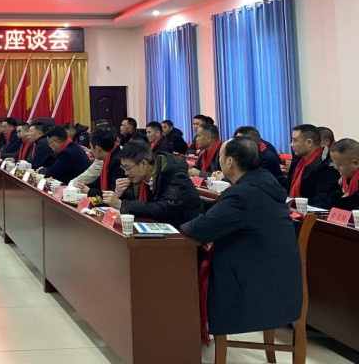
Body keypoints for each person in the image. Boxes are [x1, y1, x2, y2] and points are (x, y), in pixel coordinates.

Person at [181, 138, 302, 339]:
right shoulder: (262, 182)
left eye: (220, 156)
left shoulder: (243, 194)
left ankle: (181, 335)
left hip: (258, 281)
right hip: (277, 275)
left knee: (182, 267)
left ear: (230, 162)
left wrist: (180, 225)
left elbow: (201, 228)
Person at [103, 140, 203, 227]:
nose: (126, 173)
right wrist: (119, 194)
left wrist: (121, 204)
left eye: (127, 168)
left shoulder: (176, 177)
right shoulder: (140, 177)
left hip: (185, 232)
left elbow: (163, 209)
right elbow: (135, 204)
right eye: (123, 168)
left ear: (144, 164)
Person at [285, 124, 339, 209]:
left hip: (313, 213)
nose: (292, 144)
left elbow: (322, 203)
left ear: (309, 143)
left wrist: (296, 204)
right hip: (295, 209)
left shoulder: (327, 165)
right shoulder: (299, 159)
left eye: (295, 141)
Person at [80, 126, 125, 198]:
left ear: (98, 149)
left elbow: (113, 193)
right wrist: (84, 186)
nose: (90, 151)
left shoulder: (117, 162)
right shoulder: (112, 153)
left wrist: (89, 191)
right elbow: (99, 181)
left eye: (91, 147)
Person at [329, 138, 359, 211]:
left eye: (339, 164)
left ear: (355, 163)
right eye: (334, 163)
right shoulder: (343, 178)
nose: (335, 167)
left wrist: (342, 199)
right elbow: (331, 198)